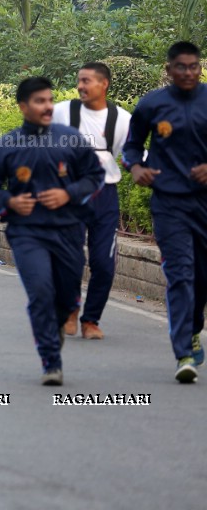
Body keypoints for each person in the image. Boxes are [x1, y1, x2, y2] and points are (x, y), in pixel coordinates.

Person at [0, 76, 105, 385]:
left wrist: (69, 193)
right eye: (39, 101)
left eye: (49, 100)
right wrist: (10, 201)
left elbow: (95, 176)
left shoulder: (70, 139)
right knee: (41, 292)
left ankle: (59, 323)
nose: (47, 107)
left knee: (67, 297)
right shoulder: (8, 144)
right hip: (27, 232)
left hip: (68, 230)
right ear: (24, 107)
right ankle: (51, 360)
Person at [122, 41, 207, 383]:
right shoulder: (152, 104)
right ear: (169, 69)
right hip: (169, 202)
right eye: (181, 67)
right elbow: (131, 145)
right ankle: (183, 352)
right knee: (180, 273)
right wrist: (135, 168)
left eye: (194, 66)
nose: (188, 72)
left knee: (202, 278)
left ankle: (194, 326)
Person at [52, 62, 131, 340]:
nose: (81, 86)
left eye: (87, 81)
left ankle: (91, 320)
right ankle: (71, 311)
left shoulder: (121, 119)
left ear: (104, 84)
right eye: (79, 81)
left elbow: (131, 155)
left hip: (104, 196)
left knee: (104, 263)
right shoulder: (63, 112)